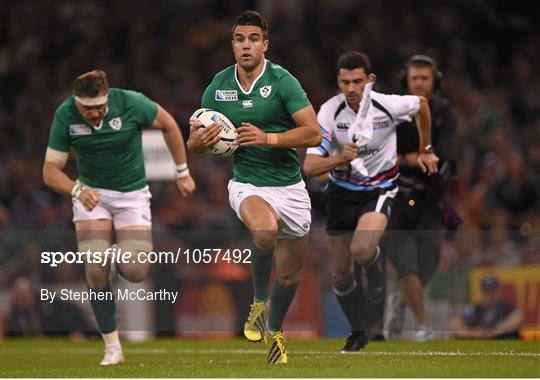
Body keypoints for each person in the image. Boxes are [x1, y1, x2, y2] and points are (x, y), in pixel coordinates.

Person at [187, 10, 320, 364]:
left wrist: (268, 138)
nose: (246, 46)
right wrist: (203, 141)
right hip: (248, 184)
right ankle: (259, 302)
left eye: (253, 40)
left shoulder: (282, 81)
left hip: (290, 188)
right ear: (232, 45)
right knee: (264, 232)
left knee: (290, 277)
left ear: (264, 45)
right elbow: (193, 142)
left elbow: (314, 132)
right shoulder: (219, 86)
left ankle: (275, 332)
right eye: (239, 40)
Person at [43, 70, 195, 365]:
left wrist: (182, 171)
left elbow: (169, 125)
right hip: (91, 195)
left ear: (107, 97)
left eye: (99, 106)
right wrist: (76, 190)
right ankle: (113, 348)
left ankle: (114, 260)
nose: (95, 113)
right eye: (87, 109)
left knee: (137, 272)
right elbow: (49, 171)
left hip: (132, 195)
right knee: (94, 268)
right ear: (77, 103)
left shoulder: (130, 103)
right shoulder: (65, 115)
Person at [303, 51, 439, 352]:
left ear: (370, 81)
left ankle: (375, 263)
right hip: (340, 192)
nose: (351, 88)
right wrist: (340, 158)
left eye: (357, 81)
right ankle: (358, 331)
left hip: (379, 189)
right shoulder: (328, 112)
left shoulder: (387, 105)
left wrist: (426, 148)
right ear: (338, 82)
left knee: (362, 250)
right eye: (345, 82)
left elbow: (422, 105)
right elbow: (310, 167)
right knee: (340, 275)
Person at [385, 55, 458, 341]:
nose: (419, 83)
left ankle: (400, 303)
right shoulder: (394, 111)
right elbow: (386, 156)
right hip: (395, 197)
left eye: (424, 78)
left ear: (434, 81)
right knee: (406, 264)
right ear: (406, 80)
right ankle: (425, 325)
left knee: (429, 263)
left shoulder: (446, 113)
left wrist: (405, 159)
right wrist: (413, 159)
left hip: (430, 199)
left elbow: (442, 156)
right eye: (414, 78)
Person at [450, 274, 523, 339]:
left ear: (498, 291)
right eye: (486, 291)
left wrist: (494, 331)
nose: (489, 295)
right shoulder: (474, 310)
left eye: (492, 291)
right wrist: (472, 333)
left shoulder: (505, 308)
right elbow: (454, 323)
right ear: (481, 291)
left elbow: (518, 317)